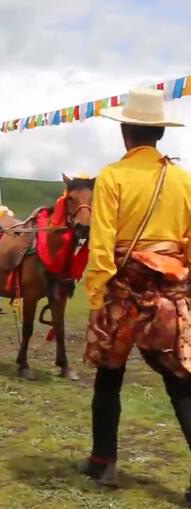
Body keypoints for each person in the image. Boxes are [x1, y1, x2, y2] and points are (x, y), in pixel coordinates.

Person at [79, 88, 191, 492]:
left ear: (125, 132)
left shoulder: (111, 177)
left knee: (110, 376)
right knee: (181, 382)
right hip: (168, 294)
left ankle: (103, 462)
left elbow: (102, 245)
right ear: (159, 132)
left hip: (123, 292)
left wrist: (97, 295)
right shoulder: (183, 180)